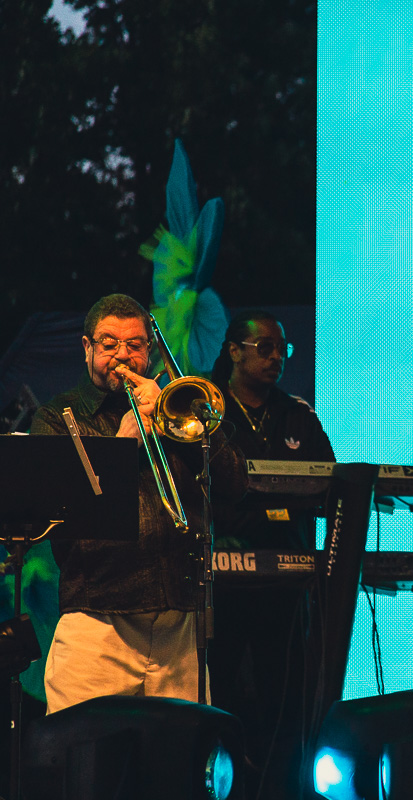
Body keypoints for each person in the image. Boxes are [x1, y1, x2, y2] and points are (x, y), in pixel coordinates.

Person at [30, 293, 247, 713]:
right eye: (109, 343)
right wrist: (122, 447)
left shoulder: (174, 408)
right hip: (98, 622)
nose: (122, 355)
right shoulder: (58, 417)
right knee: (88, 750)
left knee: (180, 753)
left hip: (179, 624)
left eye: (135, 344)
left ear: (150, 349)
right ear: (87, 348)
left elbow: (235, 483)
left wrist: (177, 420)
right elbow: (57, 515)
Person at [206, 309, 334, 800]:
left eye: (283, 349)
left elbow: (328, 485)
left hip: (287, 585)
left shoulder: (298, 415)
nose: (277, 356)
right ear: (234, 351)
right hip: (224, 585)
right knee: (222, 692)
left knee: (286, 700)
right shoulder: (206, 410)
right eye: (266, 347)